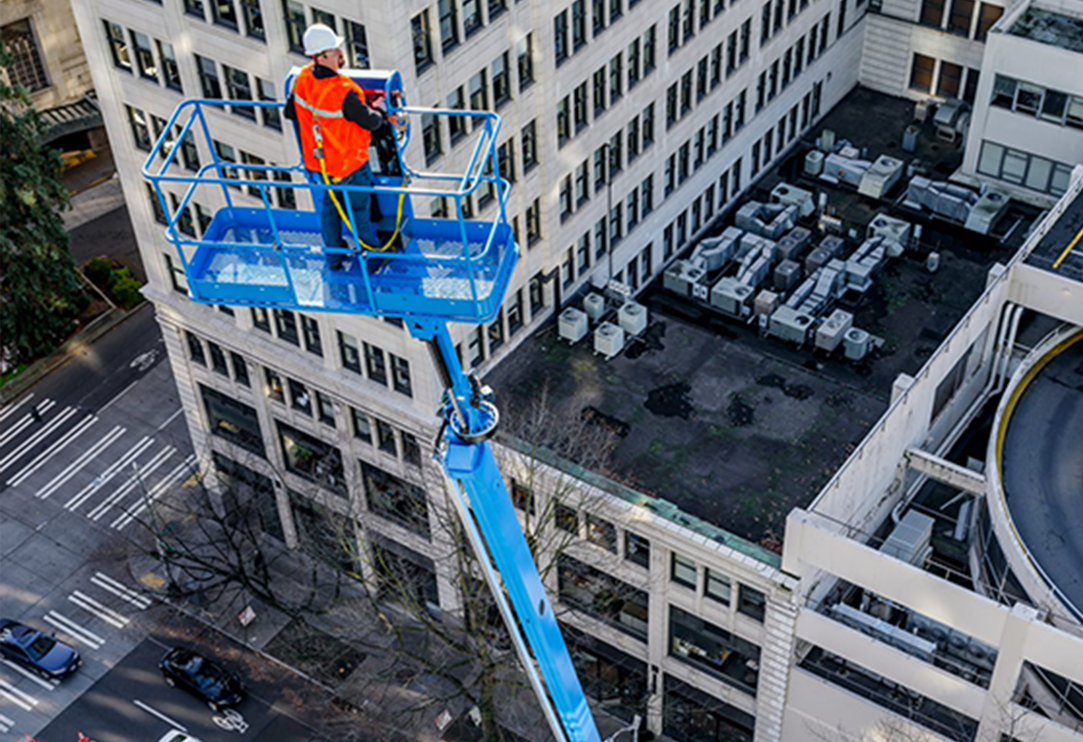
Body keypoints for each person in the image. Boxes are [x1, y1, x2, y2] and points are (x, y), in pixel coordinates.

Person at [285, 24, 403, 269]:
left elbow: (290, 112)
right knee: (359, 209)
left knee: (329, 208)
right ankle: (372, 257)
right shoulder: (344, 91)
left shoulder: (303, 79)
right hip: (349, 163)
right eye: (336, 50)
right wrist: (383, 113)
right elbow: (369, 121)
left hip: (320, 164)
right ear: (323, 55)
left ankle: (334, 256)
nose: (340, 54)